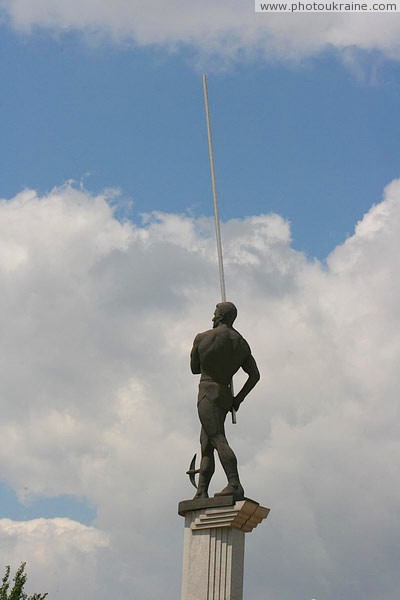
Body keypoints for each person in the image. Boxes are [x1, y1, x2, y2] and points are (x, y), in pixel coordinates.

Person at [190, 302, 260, 500]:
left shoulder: (203, 338)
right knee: (206, 443)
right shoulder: (241, 343)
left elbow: (195, 368)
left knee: (217, 438)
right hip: (225, 394)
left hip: (207, 390)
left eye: (214, 314)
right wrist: (238, 399)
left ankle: (234, 483)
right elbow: (254, 375)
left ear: (220, 316)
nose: (213, 318)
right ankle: (201, 490)